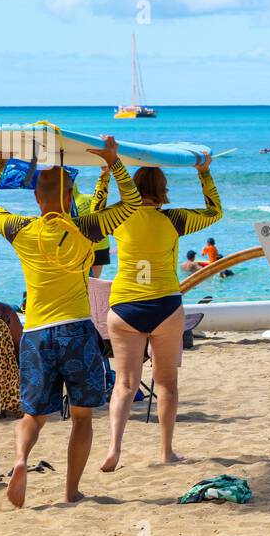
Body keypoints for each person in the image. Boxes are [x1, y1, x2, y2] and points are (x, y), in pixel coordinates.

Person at [0, 135, 140, 508]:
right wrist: (113, 164)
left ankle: (20, 460)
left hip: (35, 334)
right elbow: (130, 202)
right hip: (76, 331)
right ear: (70, 199)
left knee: (33, 415)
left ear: (36, 199)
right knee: (82, 418)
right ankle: (70, 491)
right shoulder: (87, 229)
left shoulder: (21, 230)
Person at [93, 153, 221, 471]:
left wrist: (105, 174)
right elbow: (214, 212)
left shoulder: (118, 217)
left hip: (124, 308)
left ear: (133, 187)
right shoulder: (174, 219)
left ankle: (114, 448)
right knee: (166, 383)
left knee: (125, 383)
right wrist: (203, 173)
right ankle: (166, 452)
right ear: (163, 189)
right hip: (164, 306)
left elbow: (93, 217)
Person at [73, 174, 113, 279]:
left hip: (85, 249)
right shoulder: (91, 197)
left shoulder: (70, 209)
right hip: (102, 245)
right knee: (94, 281)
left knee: (83, 283)